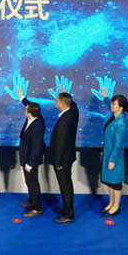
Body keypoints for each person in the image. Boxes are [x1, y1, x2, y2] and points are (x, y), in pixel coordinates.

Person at [47, 92, 79, 224]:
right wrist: (68, 96)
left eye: (57, 100)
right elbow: (75, 106)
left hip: (62, 160)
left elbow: (61, 142)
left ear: (61, 103)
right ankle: (67, 210)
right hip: (68, 157)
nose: (55, 102)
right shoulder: (73, 113)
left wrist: (58, 162)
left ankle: (68, 214)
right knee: (67, 185)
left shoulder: (65, 119)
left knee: (65, 186)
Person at [101, 95, 128, 216]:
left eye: (114, 104)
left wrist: (112, 160)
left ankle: (116, 206)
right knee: (109, 181)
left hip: (114, 156)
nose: (111, 105)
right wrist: (105, 98)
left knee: (115, 182)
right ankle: (111, 203)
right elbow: (110, 106)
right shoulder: (114, 115)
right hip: (107, 153)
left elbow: (118, 144)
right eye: (112, 103)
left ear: (121, 107)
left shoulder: (121, 122)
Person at [16, 90, 46, 217]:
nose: (24, 111)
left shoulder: (37, 125)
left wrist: (30, 163)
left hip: (31, 160)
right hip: (26, 158)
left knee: (33, 182)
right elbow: (30, 105)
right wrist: (22, 98)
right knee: (29, 182)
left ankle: (37, 208)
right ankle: (32, 200)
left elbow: (36, 147)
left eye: (25, 110)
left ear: (29, 113)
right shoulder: (34, 117)